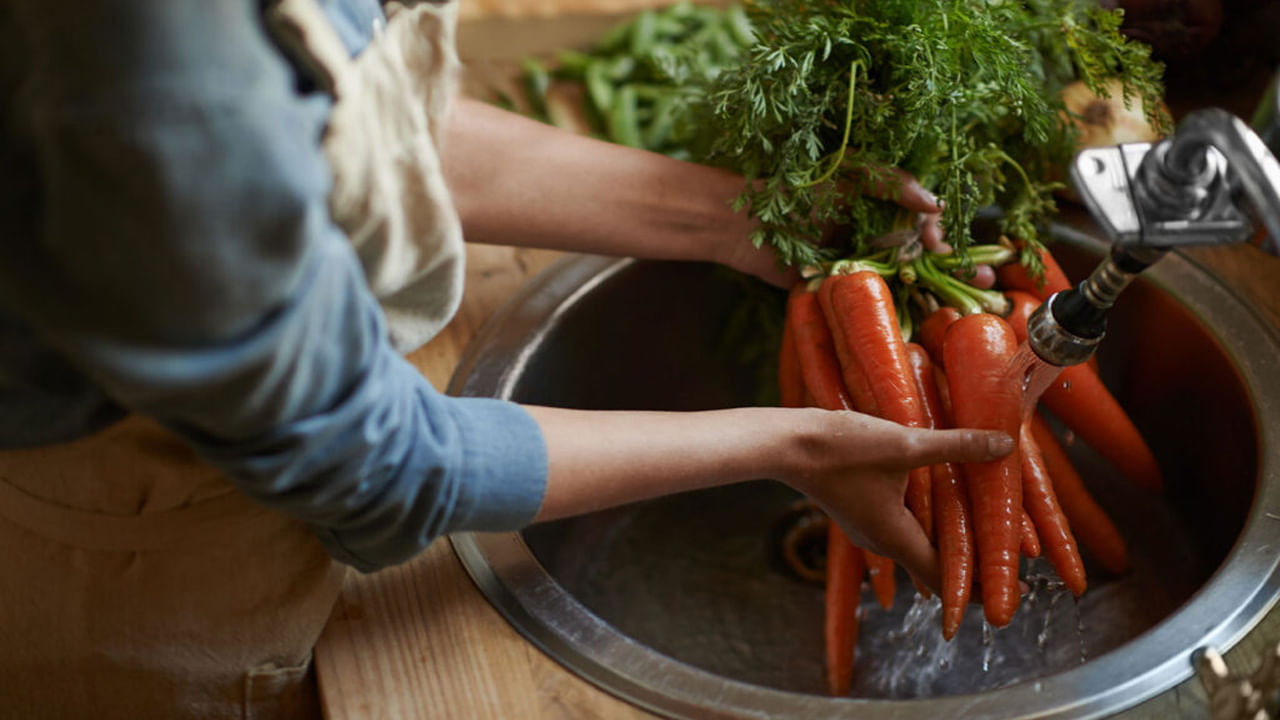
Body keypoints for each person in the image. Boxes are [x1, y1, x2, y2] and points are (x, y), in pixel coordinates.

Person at [0, 0, 1013, 718]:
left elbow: (361, 130)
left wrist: (739, 213)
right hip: (128, 536)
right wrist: (792, 441)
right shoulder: (159, 80)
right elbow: (381, 472)